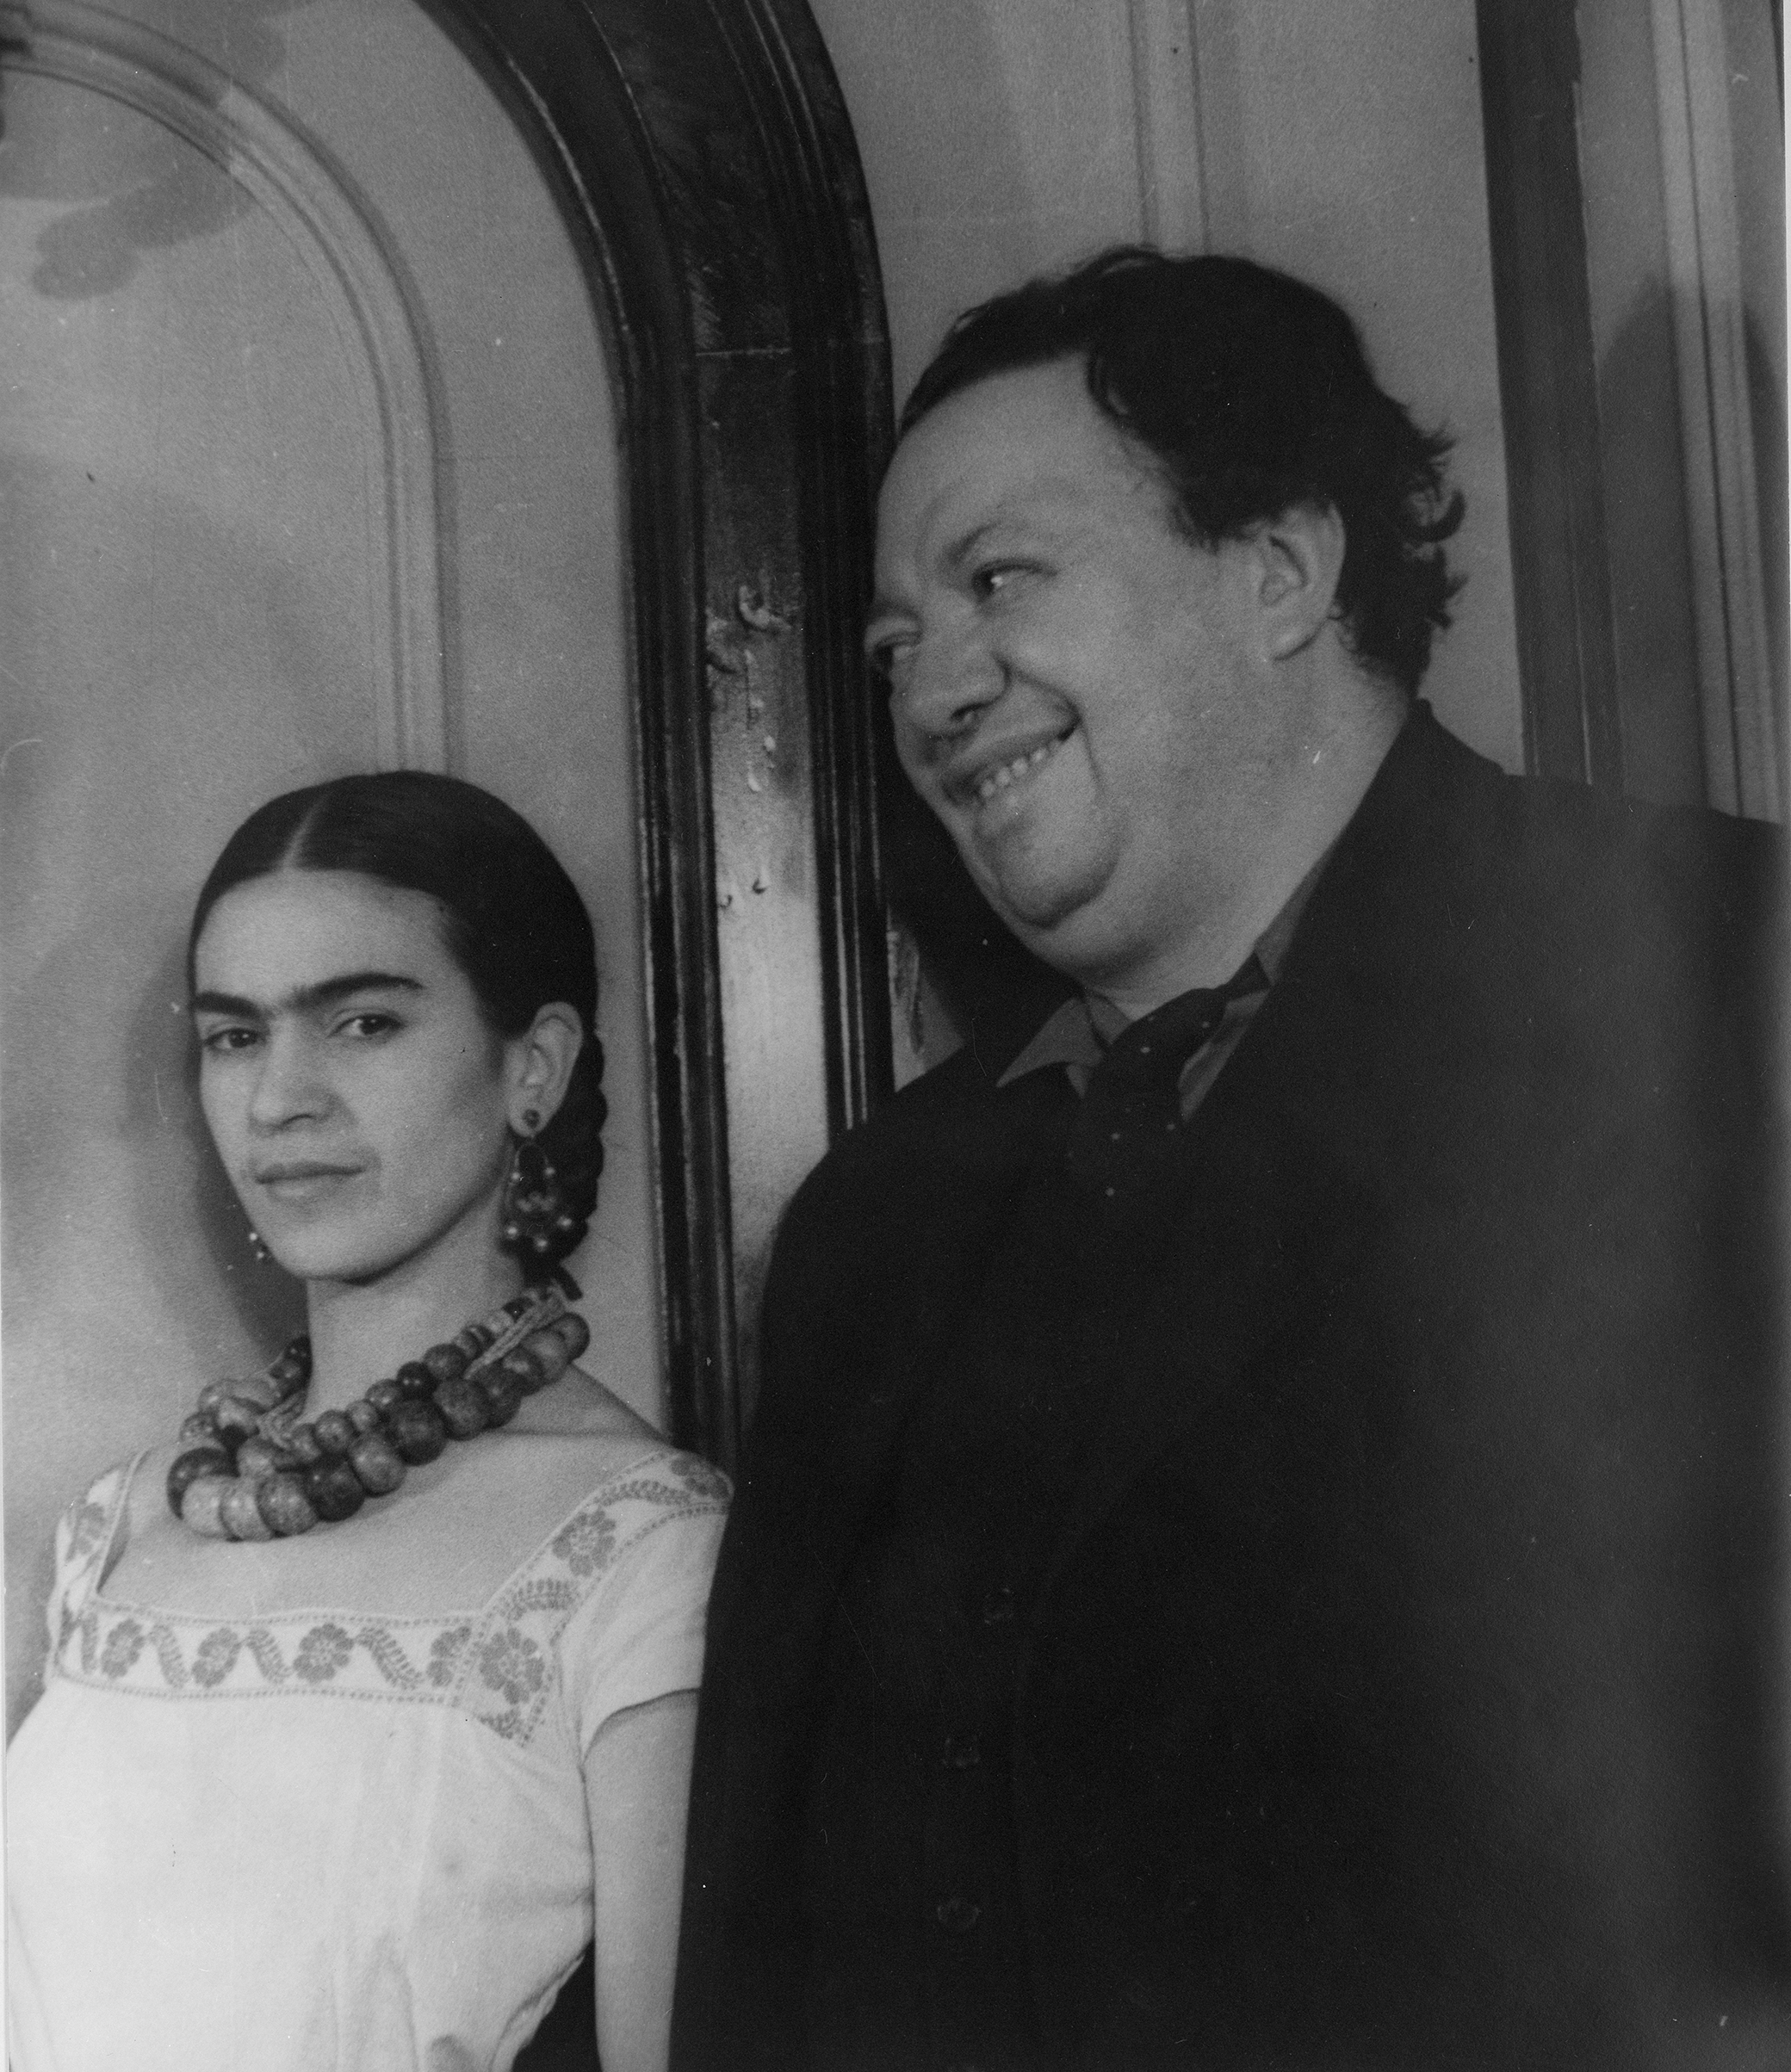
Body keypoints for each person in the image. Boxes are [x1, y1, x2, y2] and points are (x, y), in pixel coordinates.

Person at [673, 250, 1789, 2069]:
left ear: (1277, 568)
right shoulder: (874, 1222)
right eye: (891, 649)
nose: (933, 690)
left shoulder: (1725, 985)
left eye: (996, 579)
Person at [7, 771, 729, 2072]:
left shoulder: (639, 1550)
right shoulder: (119, 1524)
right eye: (235, 1036)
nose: (282, 1097)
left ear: (534, 1066)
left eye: (361, 1023)